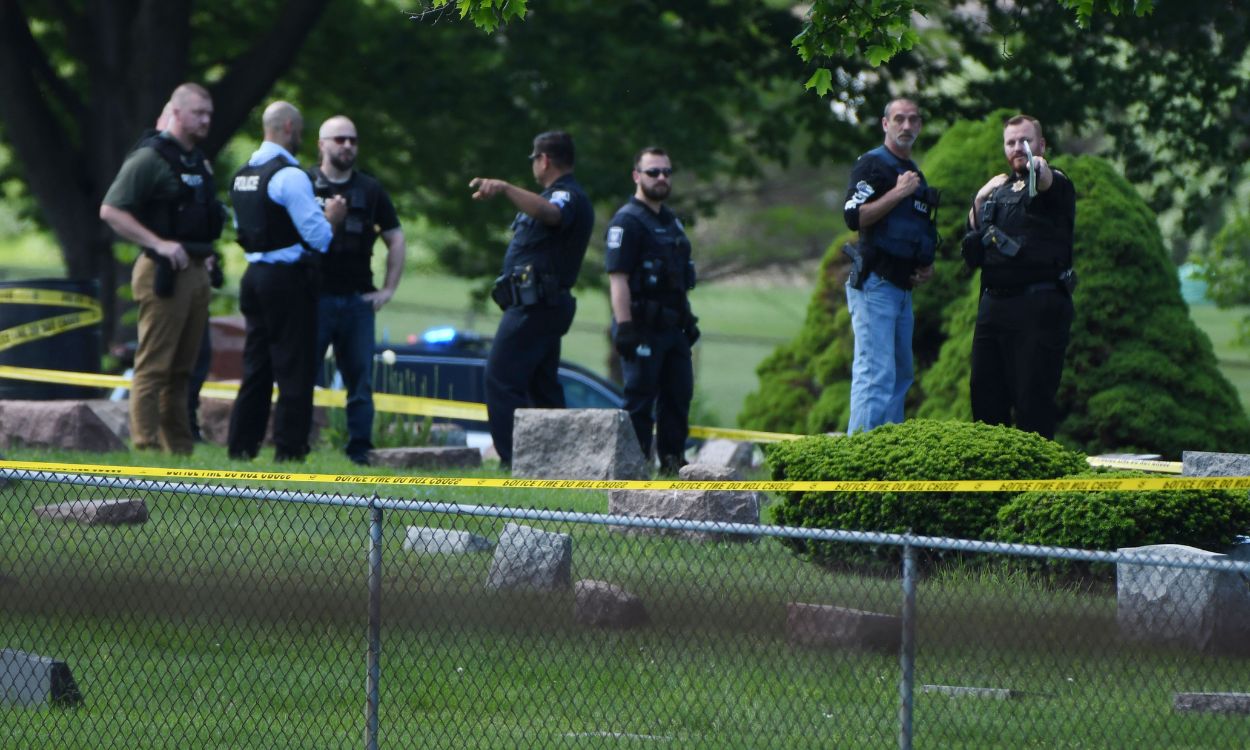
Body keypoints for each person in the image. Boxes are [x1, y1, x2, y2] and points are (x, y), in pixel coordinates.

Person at [100, 83, 224, 454]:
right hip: (162, 274)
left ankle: (179, 451)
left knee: (184, 370)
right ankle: (145, 446)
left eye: (209, 114)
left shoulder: (198, 161)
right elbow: (111, 210)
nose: (205, 121)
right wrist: (158, 243)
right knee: (154, 367)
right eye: (199, 113)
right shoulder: (150, 158)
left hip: (197, 271)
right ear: (177, 112)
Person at [227, 101, 347, 462]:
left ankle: (241, 447)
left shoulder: (244, 173)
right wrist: (334, 218)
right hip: (287, 280)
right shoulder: (290, 175)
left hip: (253, 277)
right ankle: (290, 450)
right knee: (295, 367)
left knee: (256, 367)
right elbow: (319, 238)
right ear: (290, 127)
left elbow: (242, 229)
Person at [470, 131, 594, 467]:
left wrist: (507, 188)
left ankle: (514, 461)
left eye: (534, 159)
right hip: (535, 306)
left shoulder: (568, 195)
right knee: (543, 388)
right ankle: (559, 462)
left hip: (537, 306)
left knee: (500, 379)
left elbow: (553, 214)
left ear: (544, 159)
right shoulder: (552, 195)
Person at [962, 114, 1076, 440]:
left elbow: (1044, 179)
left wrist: (1038, 166)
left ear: (1041, 144)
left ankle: (1034, 485)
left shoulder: (1056, 182)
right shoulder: (997, 189)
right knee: (984, 400)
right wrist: (981, 199)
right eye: (1011, 142)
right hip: (994, 304)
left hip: (1038, 304)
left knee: (1032, 403)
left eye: (1024, 141)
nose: (1016, 148)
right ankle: (992, 485)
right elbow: (972, 234)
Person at [309, 116, 406, 465]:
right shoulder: (304, 183)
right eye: (339, 139)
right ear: (322, 144)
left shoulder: (370, 189)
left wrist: (388, 289)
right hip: (313, 298)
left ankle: (360, 451)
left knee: (360, 383)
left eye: (352, 140)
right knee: (302, 376)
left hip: (357, 300)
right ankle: (295, 447)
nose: (347, 146)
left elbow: (395, 237)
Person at [841, 97, 939, 434]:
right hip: (875, 286)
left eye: (913, 120)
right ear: (885, 124)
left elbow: (917, 231)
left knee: (900, 375)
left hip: (902, 289)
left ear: (920, 126)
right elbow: (853, 216)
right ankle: (860, 469)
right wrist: (897, 193)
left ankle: (886, 460)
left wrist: (926, 267)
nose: (907, 126)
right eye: (899, 119)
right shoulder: (872, 166)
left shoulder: (916, 175)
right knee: (876, 373)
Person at [605, 147, 699, 475]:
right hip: (642, 327)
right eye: (653, 172)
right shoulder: (627, 222)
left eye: (666, 172)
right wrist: (625, 326)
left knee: (678, 398)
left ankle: (672, 465)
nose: (661, 178)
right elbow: (618, 280)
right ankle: (632, 470)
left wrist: (686, 319)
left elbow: (677, 280)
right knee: (640, 400)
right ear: (637, 176)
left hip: (673, 330)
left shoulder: (671, 221)